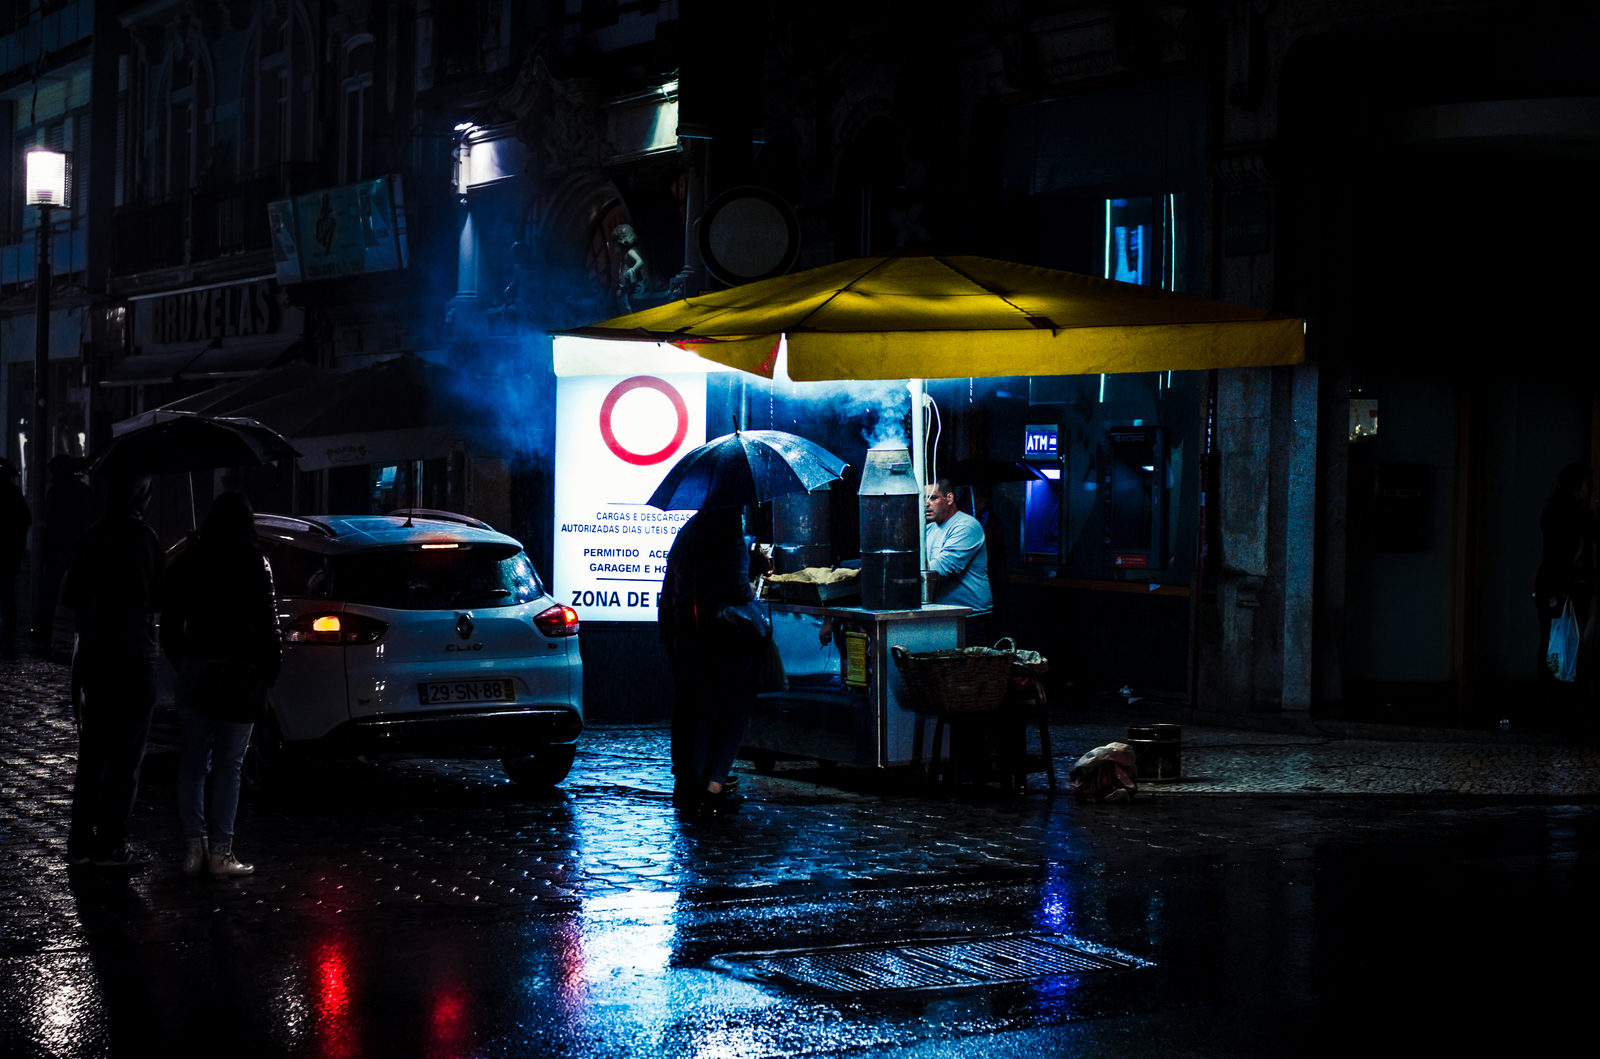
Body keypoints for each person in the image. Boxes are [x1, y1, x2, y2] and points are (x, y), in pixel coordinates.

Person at [160, 492, 280, 878]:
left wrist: (186, 660)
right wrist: (269, 670)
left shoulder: (190, 560)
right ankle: (222, 852)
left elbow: (170, 622)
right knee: (229, 765)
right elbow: (268, 623)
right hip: (240, 674)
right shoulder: (255, 562)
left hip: (197, 667)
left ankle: (193, 848)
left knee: (194, 761)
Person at [63, 476, 163, 867]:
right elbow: (159, 595)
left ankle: (78, 842)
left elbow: (72, 595)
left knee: (93, 753)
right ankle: (111, 843)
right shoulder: (144, 539)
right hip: (135, 657)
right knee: (126, 757)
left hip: (95, 655)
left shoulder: (92, 536)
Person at [658, 506, 758, 816]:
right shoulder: (732, 540)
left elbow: (668, 588)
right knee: (735, 709)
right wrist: (755, 575)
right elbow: (738, 589)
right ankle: (714, 786)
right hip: (724, 638)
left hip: (684, 636)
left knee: (694, 709)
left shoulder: (686, 535)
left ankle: (688, 783)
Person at [1534, 462, 1598, 688]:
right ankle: (1550, 694)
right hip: (1556, 587)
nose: (1591, 489)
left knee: (1573, 641)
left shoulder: (1585, 516)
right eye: (1587, 485)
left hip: (1579, 588)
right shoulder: (1555, 514)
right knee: (1553, 640)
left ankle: (1566, 692)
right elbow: (1556, 552)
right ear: (1575, 488)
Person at [925, 478, 994, 646]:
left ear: (949, 498)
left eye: (933, 498)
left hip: (971, 617)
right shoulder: (930, 528)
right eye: (923, 499)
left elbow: (941, 570)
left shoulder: (966, 526)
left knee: (972, 670)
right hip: (945, 615)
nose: (926, 504)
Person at [38, 455, 94, 653]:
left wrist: (46, 549)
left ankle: (43, 633)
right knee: (83, 593)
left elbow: (52, 522)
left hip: (60, 547)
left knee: (50, 594)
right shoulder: (83, 490)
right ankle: (84, 633)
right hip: (79, 546)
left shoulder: (57, 490)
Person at [0, 458, 30, 660]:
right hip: (8, 555)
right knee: (7, 598)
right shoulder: (15, 494)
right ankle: (8, 643)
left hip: (7, 554)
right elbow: (24, 522)